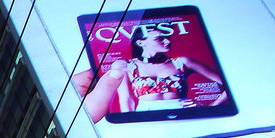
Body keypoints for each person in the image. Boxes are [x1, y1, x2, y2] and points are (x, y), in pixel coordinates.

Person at [77, 24, 228, 122]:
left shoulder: (182, 62)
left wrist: (210, 107)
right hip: (145, 113)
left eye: (167, 37)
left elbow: (228, 86)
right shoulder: (127, 66)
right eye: (160, 38)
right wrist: (130, 124)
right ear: (141, 42)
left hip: (183, 112)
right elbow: (127, 100)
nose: (167, 41)